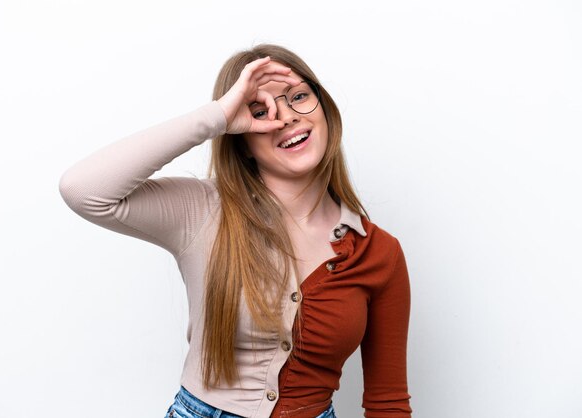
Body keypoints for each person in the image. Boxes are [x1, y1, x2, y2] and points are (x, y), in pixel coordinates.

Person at [59, 44, 412, 418]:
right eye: (260, 111)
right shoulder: (203, 211)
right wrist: (218, 116)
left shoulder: (378, 253)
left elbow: (387, 403)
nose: (287, 117)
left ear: (325, 109)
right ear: (241, 137)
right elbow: (83, 190)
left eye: (299, 97)